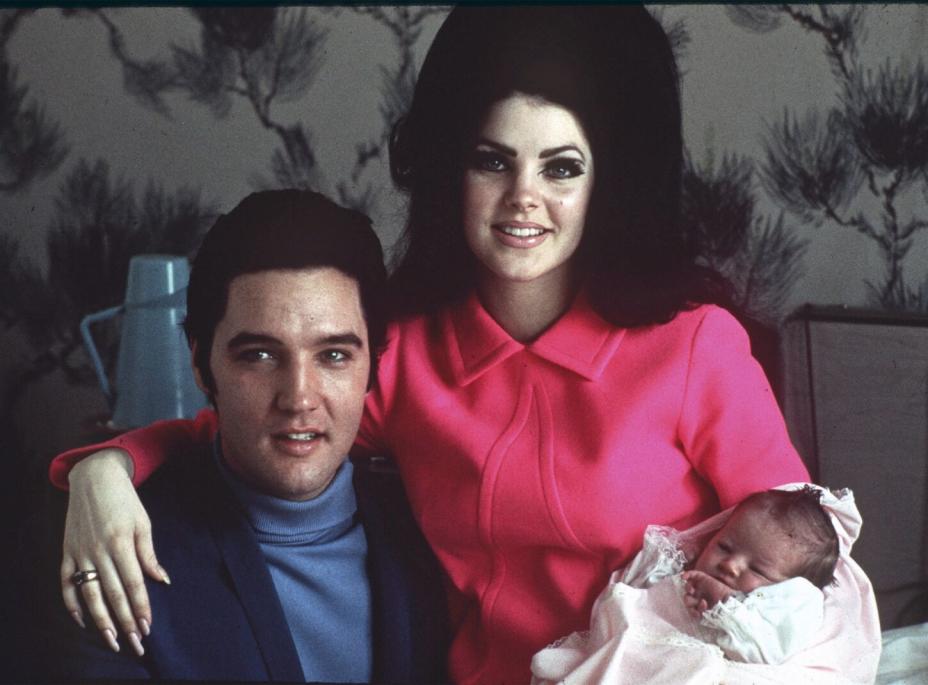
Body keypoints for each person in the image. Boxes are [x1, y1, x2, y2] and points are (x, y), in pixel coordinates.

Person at [48, 6, 880, 684]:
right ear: (454, 170)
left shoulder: (696, 348)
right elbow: (255, 421)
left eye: (560, 168)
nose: (523, 199)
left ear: (607, 181)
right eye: (493, 161)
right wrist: (102, 468)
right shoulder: (404, 353)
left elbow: (805, 562)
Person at [44, 190, 447, 682]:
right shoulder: (114, 550)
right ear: (199, 363)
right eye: (259, 354)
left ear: (373, 366)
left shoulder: (433, 525)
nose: (299, 397)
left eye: (334, 355)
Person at [530, 484, 867, 684]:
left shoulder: (793, 609)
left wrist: (724, 604)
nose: (731, 565)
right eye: (724, 546)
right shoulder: (683, 568)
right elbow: (643, 601)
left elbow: (764, 649)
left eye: (759, 570)